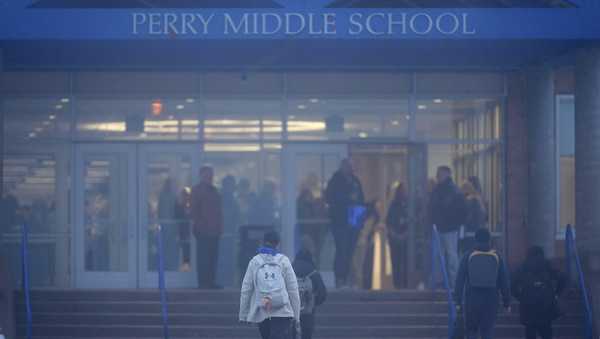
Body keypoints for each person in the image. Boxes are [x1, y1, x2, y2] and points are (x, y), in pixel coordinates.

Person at [239, 231, 301, 339]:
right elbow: (293, 290)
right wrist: (296, 316)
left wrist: (243, 314)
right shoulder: (283, 261)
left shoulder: (255, 261)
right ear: (278, 244)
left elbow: (246, 289)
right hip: (283, 311)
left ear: (263, 242)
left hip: (263, 311)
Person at [454, 228, 511, 339]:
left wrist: (458, 301)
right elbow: (504, 281)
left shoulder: (468, 255)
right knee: (487, 331)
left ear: (475, 240)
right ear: (489, 240)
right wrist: (507, 302)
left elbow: (459, 279)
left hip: (471, 299)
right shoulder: (497, 256)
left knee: (471, 330)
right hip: (491, 300)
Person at [511, 246, 567, 339]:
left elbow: (512, 285)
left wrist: (521, 297)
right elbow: (563, 278)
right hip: (546, 308)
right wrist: (556, 293)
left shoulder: (523, 266)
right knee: (547, 333)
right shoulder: (547, 265)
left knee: (530, 334)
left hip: (528, 308)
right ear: (542, 254)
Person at [325, 158, 364, 288]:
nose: (351, 169)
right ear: (342, 166)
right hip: (340, 222)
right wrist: (347, 198)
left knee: (349, 251)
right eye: (348, 166)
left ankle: (346, 278)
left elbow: (361, 199)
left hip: (353, 222)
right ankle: (339, 278)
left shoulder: (356, 181)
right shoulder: (335, 181)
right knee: (341, 250)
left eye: (352, 166)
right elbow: (329, 197)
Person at [430, 166, 466, 289]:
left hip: (445, 228)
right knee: (450, 257)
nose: (437, 176)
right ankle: (452, 283)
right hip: (447, 228)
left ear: (446, 174)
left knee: (445, 257)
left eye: (439, 174)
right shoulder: (453, 190)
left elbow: (459, 211)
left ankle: (445, 283)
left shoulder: (446, 191)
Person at [191, 166, 223, 289]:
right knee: (203, 257)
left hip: (214, 230)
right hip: (203, 230)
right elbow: (194, 211)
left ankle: (211, 281)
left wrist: (220, 228)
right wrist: (199, 226)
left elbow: (219, 211)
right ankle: (203, 283)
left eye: (211, 174)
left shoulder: (215, 191)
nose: (210, 177)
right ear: (201, 175)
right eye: (207, 174)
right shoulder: (197, 190)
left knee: (213, 257)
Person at [292, 237, 327, 339]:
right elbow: (322, 293)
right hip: (307, 311)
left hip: (291, 311)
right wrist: (312, 302)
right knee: (306, 334)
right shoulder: (312, 271)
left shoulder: (289, 268)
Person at [218, 175, 241, 287]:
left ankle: (226, 281)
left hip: (228, 234)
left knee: (227, 259)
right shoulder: (225, 199)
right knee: (224, 259)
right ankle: (225, 281)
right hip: (224, 234)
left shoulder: (229, 198)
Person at [386, 183, 409, 289]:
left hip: (406, 239)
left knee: (405, 262)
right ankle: (397, 284)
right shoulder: (393, 205)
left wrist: (406, 234)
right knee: (395, 261)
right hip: (395, 239)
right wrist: (394, 235)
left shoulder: (410, 205)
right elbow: (388, 222)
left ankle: (405, 283)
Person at [158, 177, 179, 271]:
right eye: (167, 184)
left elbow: (175, 211)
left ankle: (171, 266)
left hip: (171, 227)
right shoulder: (162, 196)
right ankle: (165, 266)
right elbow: (160, 211)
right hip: (164, 226)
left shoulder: (173, 196)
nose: (168, 186)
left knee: (170, 248)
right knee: (164, 247)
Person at [461, 180, 488, 255]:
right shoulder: (478, 199)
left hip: (470, 230)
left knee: (468, 252)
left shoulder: (470, 200)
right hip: (478, 229)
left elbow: (468, 217)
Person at [174, 187, 191, 272]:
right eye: (184, 195)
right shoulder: (178, 207)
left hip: (189, 235)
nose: (186, 197)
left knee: (188, 254)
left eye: (187, 195)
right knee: (181, 254)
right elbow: (176, 220)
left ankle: (187, 269)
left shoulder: (191, 207)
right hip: (181, 235)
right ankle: (180, 270)